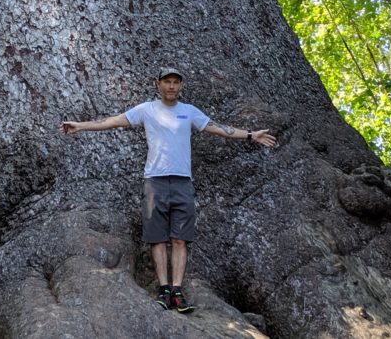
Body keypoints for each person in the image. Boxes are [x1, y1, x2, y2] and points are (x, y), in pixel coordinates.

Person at [60, 67, 278, 313]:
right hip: (155, 182)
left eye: (176, 82)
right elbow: (111, 121)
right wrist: (81, 126)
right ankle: (163, 289)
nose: (172, 86)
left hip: (183, 182)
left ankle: (177, 290)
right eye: (167, 82)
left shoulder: (189, 112)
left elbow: (218, 128)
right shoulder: (146, 110)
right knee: (157, 239)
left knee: (179, 238)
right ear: (159, 84)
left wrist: (251, 135)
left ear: (181, 86)